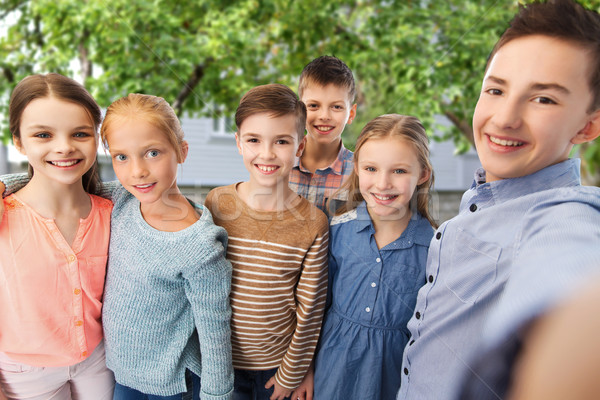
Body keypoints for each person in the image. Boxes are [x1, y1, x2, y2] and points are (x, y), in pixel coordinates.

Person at [396, 0, 600, 399]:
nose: (505, 117)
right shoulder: (480, 202)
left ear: (588, 125)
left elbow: (569, 274)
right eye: (496, 89)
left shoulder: (562, 218)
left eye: (544, 99)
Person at [1, 93, 234, 400]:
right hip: (120, 377)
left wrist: (218, 395)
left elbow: (215, 332)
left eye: (152, 153)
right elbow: (59, 181)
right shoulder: (123, 199)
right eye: (122, 157)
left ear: (182, 150)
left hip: (172, 384)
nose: (137, 171)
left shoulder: (201, 245)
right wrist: (7, 185)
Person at [203, 84, 329, 400]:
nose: (267, 153)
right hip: (218, 364)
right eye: (254, 140)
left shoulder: (314, 222)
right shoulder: (216, 204)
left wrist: (292, 373)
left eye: (282, 141)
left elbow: (310, 310)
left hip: (276, 369)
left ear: (300, 146)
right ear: (238, 143)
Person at [0, 73, 114, 399]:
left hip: (97, 360)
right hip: (22, 372)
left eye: (80, 133)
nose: (64, 147)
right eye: (43, 135)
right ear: (19, 141)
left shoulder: (113, 212)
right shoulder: (5, 215)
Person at [312, 114, 436, 400]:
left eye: (399, 171)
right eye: (371, 168)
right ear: (356, 168)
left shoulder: (434, 246)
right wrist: (303, 372)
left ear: (423, 174)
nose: (382, 184)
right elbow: (316, 309)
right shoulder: (336, 230)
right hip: (331, 371)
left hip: (394, 378)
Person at [289, 55, 357, 215]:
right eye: (313, 105)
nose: (324, 116)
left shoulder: (360, 173)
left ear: (351, 114)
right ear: (299, 109)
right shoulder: (280, 163)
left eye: (337, 107)